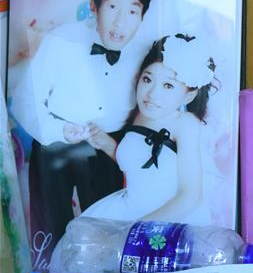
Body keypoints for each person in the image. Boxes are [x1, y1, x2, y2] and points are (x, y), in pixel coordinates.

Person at [15, 0, 153, 259]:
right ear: (94, 6)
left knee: (107, 236)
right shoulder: (61, 41)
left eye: (133, 11)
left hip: (110, 148)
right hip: (54, 144)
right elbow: (25, 101)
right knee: (48, 233)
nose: (121, 22)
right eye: (113, 7)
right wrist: (59, 131)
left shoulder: (146, 51)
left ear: (142, 16)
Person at [81, 34, 217, 225]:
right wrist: (106, 144)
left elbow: (191, 198)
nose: (152, 93)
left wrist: (138, 229)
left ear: (189, 96)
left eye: (168, 85)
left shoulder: (185, 124)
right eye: (147, 79)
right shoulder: (140, 114)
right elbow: (140, 169)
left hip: (170, 220)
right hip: (130, 210)